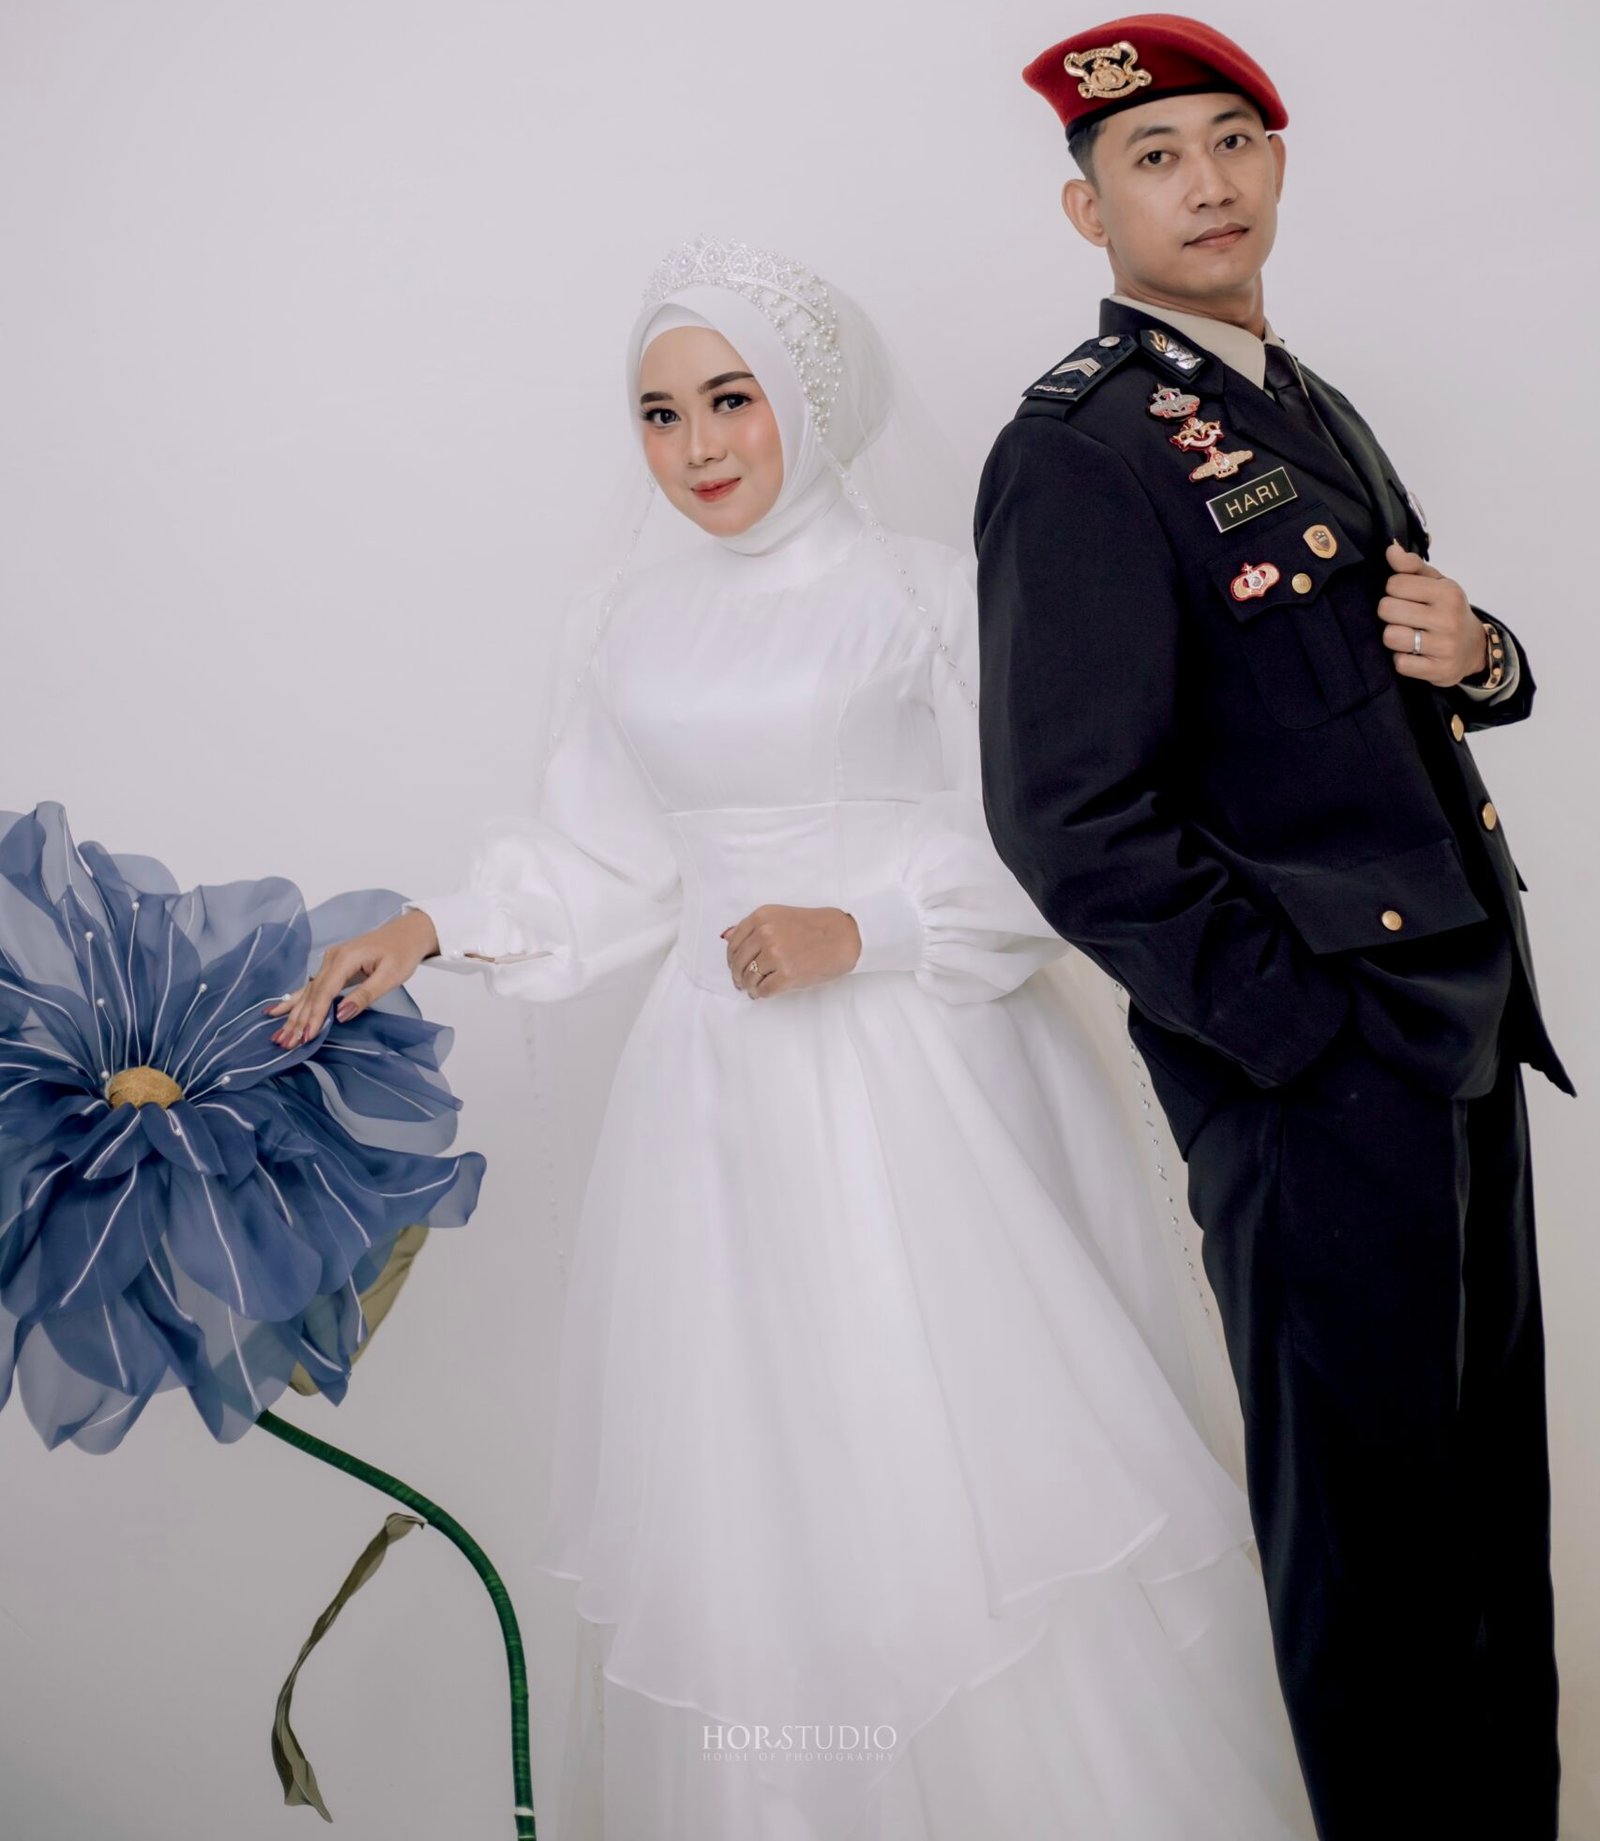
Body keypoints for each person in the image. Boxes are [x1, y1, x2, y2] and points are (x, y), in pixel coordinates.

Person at [264, 241, 1315, 1841]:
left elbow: (1054, 833)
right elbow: (610, 856)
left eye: (733, 399)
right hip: (714, 1105)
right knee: (764, 1483)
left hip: (921, 1086)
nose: (698, 446)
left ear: (810, 401)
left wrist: (864, 924)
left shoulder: (929, 594)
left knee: (959, 1461)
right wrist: (430, 923)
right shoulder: (625, 619)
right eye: (661, 413)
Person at [973, 12, 1571, 1841]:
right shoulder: (1080, 452)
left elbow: (1387, 685)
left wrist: (1487, 656)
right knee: (1375, 1568)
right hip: (1320, 1075)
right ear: (1086, 211)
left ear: (1280, 163)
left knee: (1487, 1533)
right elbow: (1069, 821)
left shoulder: (1293, 394)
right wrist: (1300, 1040)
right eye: (1153, 156)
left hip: (1456, 1028)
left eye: (1233, 139)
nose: (1206, 180)